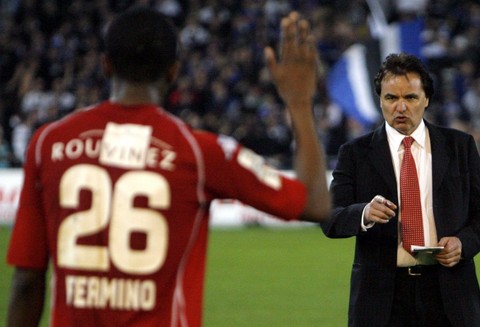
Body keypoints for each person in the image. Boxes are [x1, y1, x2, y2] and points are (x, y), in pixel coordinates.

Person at [6, 7, 329, 327]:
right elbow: (315, 203)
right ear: (173, 72)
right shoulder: (200, 152)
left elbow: (26, 282)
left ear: (105, 66)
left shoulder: (50, 144)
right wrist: (299, 101)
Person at [321, 53, 480, 327]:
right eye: (391, 98)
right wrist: (364, 213)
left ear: (426, 99)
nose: (400, 107)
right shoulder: (355, 153)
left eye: (411, 98)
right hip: (381, 299)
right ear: (380, 100)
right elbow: (330, 218)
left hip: (449, 293)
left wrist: (462, 244)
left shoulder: (459, 146)